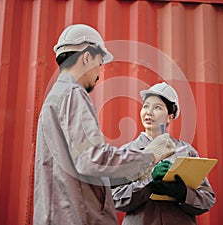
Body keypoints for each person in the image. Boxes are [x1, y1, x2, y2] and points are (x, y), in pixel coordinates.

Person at [33, 24, 176, 225]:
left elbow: (81, 166)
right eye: (100, 63)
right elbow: (92, 159)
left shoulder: (54, 98)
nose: (99, 74)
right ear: (86, 57)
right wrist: (149, 156)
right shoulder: (74, 94)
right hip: (77, 217)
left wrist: (137, 172)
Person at [112, 82, 216, 225]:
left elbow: (207, 199)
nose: (148, 112)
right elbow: (115, 199)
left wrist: (182, 193)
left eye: (157, 107)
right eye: (146, 106)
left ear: (170, 117)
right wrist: (148, 184)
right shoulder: (126, 152)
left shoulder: (186, 152)